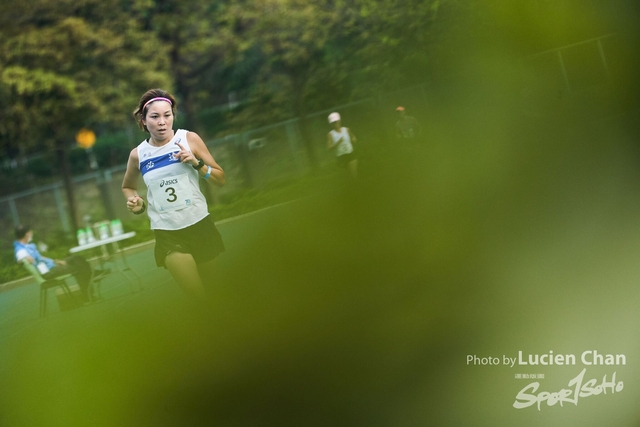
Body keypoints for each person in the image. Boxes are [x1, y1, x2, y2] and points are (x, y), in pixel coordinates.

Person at [121, 88, 226, 299]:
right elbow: (128, 186)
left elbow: (220, 179)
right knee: (198, 296)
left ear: (173, 116)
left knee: (216, 293)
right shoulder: (138, 155)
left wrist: (197, 164)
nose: (162, 122)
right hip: (167, 232)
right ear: (143, 120)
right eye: (155, 116)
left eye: (167, 115)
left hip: (199, 224)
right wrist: (137, 203)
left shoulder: (189, 139)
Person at [13, 225, 97, 302]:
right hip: (49, 272)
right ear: (27, 234)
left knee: (77, 258)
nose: (32, 234)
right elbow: (24, 260)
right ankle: (88, 295)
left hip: (52, 266)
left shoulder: (27, 246)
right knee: (79, 266)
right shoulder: (21, 250)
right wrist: (27, 258)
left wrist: (56, 261)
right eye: (30, 232)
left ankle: (93, 275)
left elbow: (40, 258)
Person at [326, 112, 358, 179]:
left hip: (350, 153)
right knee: (346, 176)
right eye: (334, 122)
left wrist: (354, 139)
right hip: (341, 157)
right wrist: (337, 143)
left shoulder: (346, 129)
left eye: (337, 121)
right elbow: (329, 148)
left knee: (354, 174)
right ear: (331, 124)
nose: (336, 123)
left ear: (339, 121)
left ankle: (357, 186)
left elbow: (353, 136)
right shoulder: (331, 134)